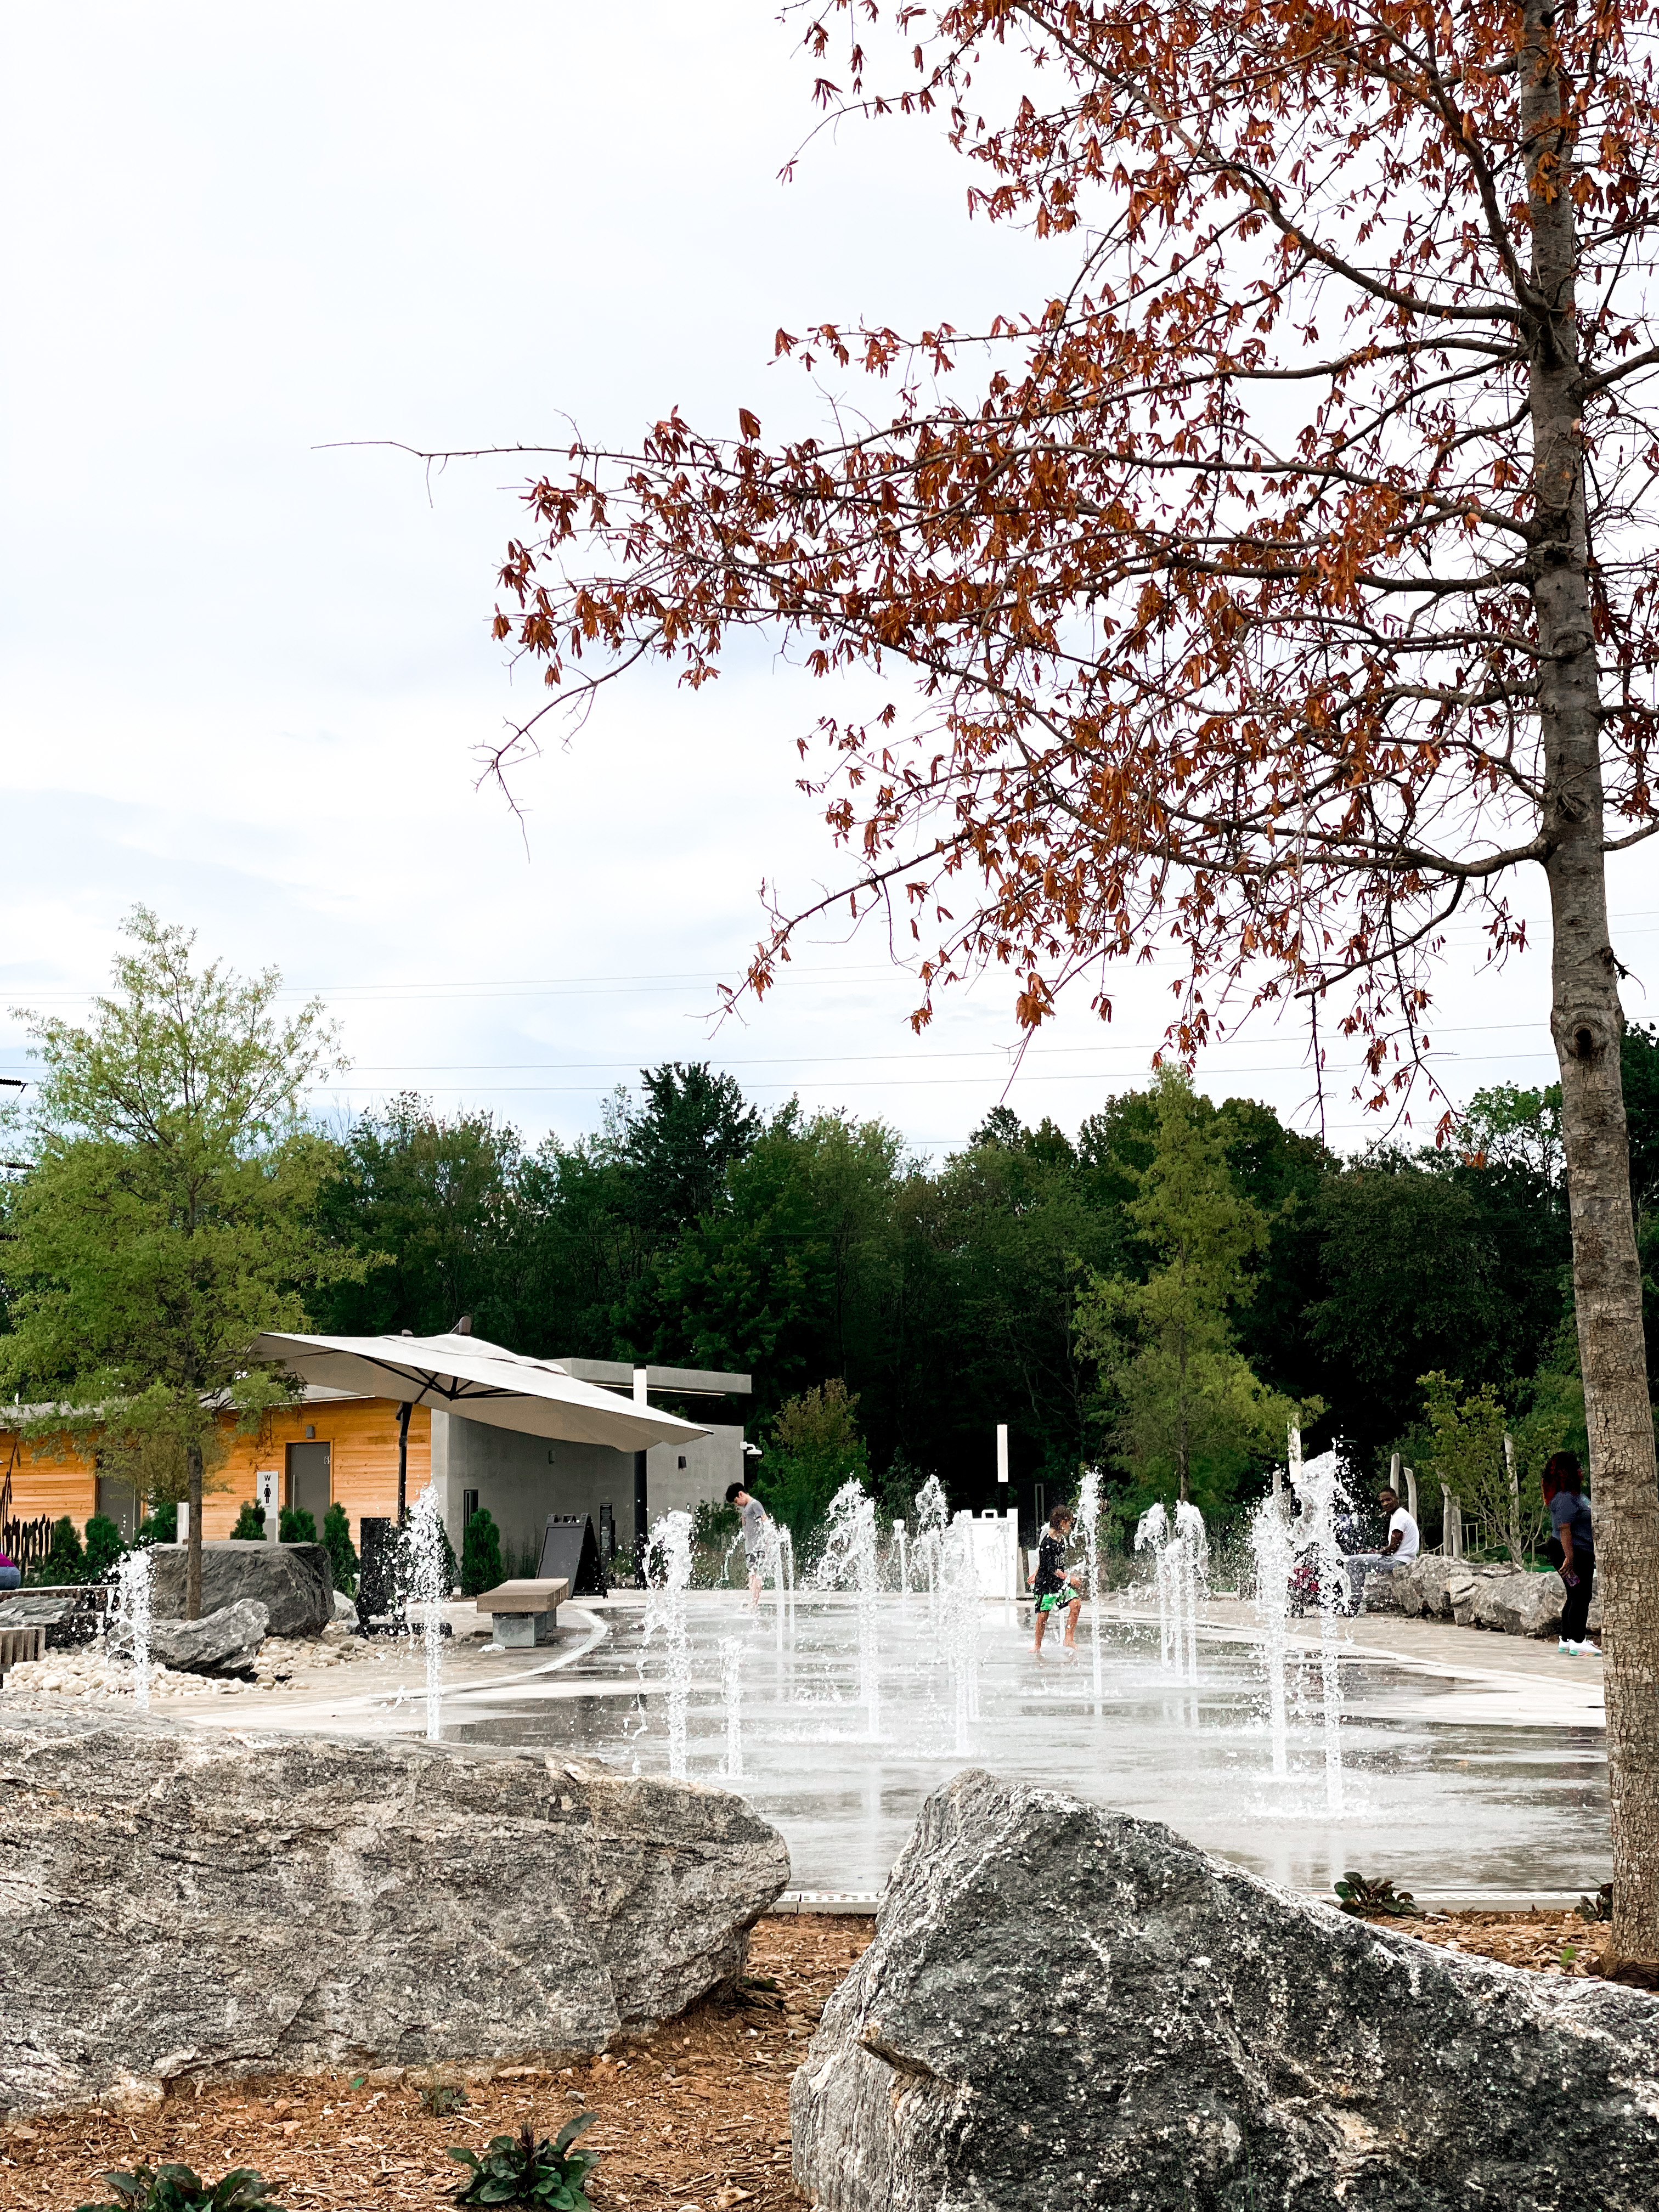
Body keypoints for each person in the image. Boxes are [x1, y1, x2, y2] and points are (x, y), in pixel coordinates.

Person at [1542, 1451, 1598, 1655]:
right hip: (1571, 1553)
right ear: (1567, 1472)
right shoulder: (1564, 1498)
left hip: (1576, 1552)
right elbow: (1565, 1528)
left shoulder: (1575, 1495)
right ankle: (1578, 1641)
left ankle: (1566, 1639)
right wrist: (1570, 1558)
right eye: (1576, 1467)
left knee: (1574, 1594)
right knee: (1581, 1596)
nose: (1580, 1470)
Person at [1342, 1486, 1419, 1612]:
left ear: (1396, 1499)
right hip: (1403, 1559)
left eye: (1388, 1499)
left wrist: (1378, 1552)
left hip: (1398, 1562)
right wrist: (1374, 1552)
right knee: (1360, 1561)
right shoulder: (1400, 1515)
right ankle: (1354, 1603)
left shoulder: (1399, 1517)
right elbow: (1393, 1546)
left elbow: (1393, 1548)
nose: (1385, 1503)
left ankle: (1353, 1605)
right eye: (1382, 1501)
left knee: (1351, 1562)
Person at [1031, 1503, 1083, 1656]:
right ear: (1061, 1522)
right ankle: (1037, 1645)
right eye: (1068, 1522)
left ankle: (1069, 1639)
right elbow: (1050, 1568)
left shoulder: (1061, 1540)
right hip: (1045, 1584)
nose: (1070, 1526)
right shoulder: (1047, 1542)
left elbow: (1051, 1563)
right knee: (1043, 1615)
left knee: (1076, 1604)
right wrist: (1069, 1577)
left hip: (1058, 1583)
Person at [725, 1480, 772, 1611]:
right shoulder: (747, 1508)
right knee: (751, 1574)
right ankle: (752, 1601)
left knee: (756, 1574)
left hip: (757, 1546)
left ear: (741, 1494)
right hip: (750, 1547)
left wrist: (768, 1542)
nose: (737, 1505)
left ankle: (754, 1603)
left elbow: (765, 1520)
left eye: (736, 1501)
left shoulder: (754, 1504)